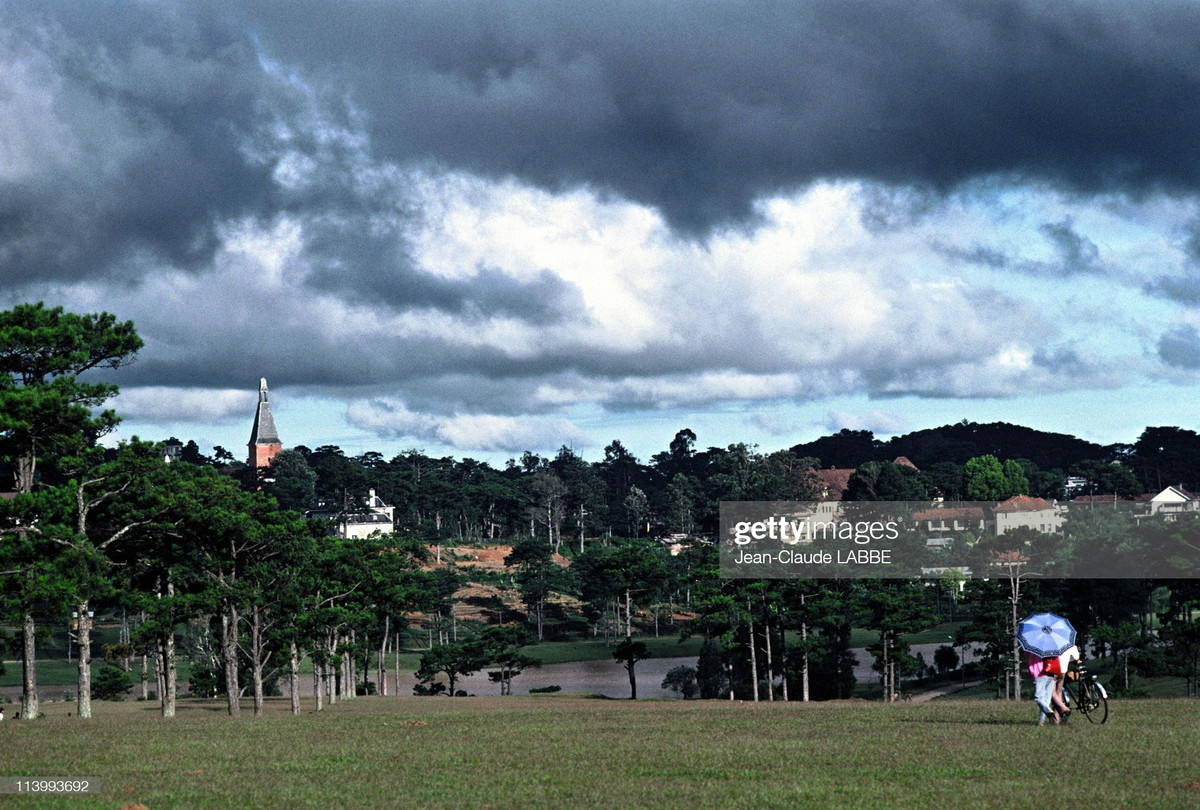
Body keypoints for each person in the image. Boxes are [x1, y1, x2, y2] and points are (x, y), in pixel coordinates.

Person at [1027, 652, 1060, 726]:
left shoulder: (1033, 649)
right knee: (1046, 700)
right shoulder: (1051, 649)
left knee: (1038, 697)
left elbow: (1028, 656)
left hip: (1039, 674)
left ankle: (1048, 712)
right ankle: (1041, 721)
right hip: (1050, 672)